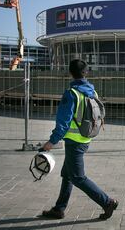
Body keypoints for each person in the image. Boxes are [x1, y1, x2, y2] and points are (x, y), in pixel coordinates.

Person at [41, 59, 118, 220]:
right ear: (86, 73)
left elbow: (63, 122)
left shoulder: (71, 94)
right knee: (68, 174)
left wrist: (51, 142)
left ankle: (107, 202)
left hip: (74, 142)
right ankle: (59, 208)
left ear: (70, 73)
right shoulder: (92, 92)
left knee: (77, 177)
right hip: (85, 138)